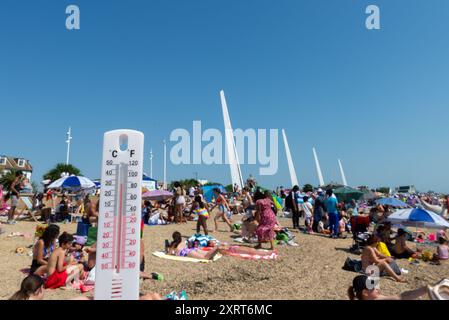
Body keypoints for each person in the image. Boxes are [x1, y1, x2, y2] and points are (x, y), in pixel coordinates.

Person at [348, 275, 431, 300]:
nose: (377, 288)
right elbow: (401, 297)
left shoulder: (373, 296)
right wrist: (424, 289)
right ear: (365, 293)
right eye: (373, 287)